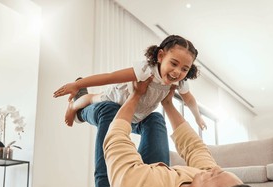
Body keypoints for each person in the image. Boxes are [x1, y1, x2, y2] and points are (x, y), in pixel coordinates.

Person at [92, 77, 254, 187]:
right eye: (220, 171)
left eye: (214, 175)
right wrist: (168, 103)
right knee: (155, 119)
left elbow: (115, 139)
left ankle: (79, 110)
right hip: (151, 177)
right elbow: (195, 148)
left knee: (109, 111)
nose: (214, 169)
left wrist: (136, 95)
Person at [53, 34, 207, 130]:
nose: (177, 72)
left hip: (136, 113)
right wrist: (77, 85)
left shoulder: (179, 83)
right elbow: (110, 77)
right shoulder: (146, 70)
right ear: (160, 56)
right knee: (93, 98)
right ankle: (73, 105)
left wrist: (197, 117)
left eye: (184, 69)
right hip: (116, 99)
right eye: (173, 64)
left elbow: (189, 100)